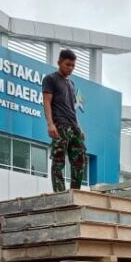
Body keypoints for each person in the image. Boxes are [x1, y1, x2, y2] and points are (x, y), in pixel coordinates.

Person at [41, 49, 85, 192]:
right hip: (59, 126)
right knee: (58, 161)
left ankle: (75, 193)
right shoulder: (50, 79)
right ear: (59, 62)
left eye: (73, 65)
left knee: (79, 161)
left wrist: (78, 127)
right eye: (68, 65)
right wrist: (50, 124)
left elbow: (72, 107)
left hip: (73, 127)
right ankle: (60, 194)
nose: (70, 68)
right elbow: (46, 102)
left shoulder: (71, 84)